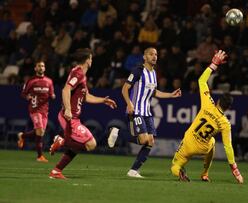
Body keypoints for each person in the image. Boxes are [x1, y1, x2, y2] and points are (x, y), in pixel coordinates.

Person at [170, 50, 244, 184]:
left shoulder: (208, 104)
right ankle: (204, 174)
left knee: (174, 165)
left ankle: (179, 171)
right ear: (228, 108)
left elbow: (201, 81)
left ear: (218, 101)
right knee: (213, 142)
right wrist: (235, 170)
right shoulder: (225, 123)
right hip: (203, 148)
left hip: (188, 143)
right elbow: (228, 147)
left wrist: (214, 64)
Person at [107, 47, 182, 178]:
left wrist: (171, 95)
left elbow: (155, 92)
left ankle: (133, 170)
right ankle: (117, 132)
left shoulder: (153, 73)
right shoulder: (138, 71)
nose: (154, 56)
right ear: (144, 57)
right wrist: (129, 104)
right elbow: (125, 89)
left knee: (150, 141)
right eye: (151, 54)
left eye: (156, 54)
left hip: (147, 112)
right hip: (136, 110)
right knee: (143, 139)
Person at [48, 48, 117, 179]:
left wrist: (103, 100)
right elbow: (65, 90)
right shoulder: (78, 73)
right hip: (69, 117)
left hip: (74, 118)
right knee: (91, 144)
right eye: (90, 58)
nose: (92, 60)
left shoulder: (81, 75)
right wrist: (68, 109)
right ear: (87, 60)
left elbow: (86, 96)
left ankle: (56, 171)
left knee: (78, 146)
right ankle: (61, 141)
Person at [18, 60, 55, 162]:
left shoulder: (49, 81)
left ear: (45, 68)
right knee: (40, 130)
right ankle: (40, 156)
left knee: (39, 132)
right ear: (35, 68)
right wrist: (27, 96)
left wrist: (53, 96)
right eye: (39, 66)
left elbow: (52, 94)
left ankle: (22, 136)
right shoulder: (31, 81)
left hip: (45, 111)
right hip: (34, 109)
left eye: (42, 66)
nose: (41, 68)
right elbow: (23, 93)